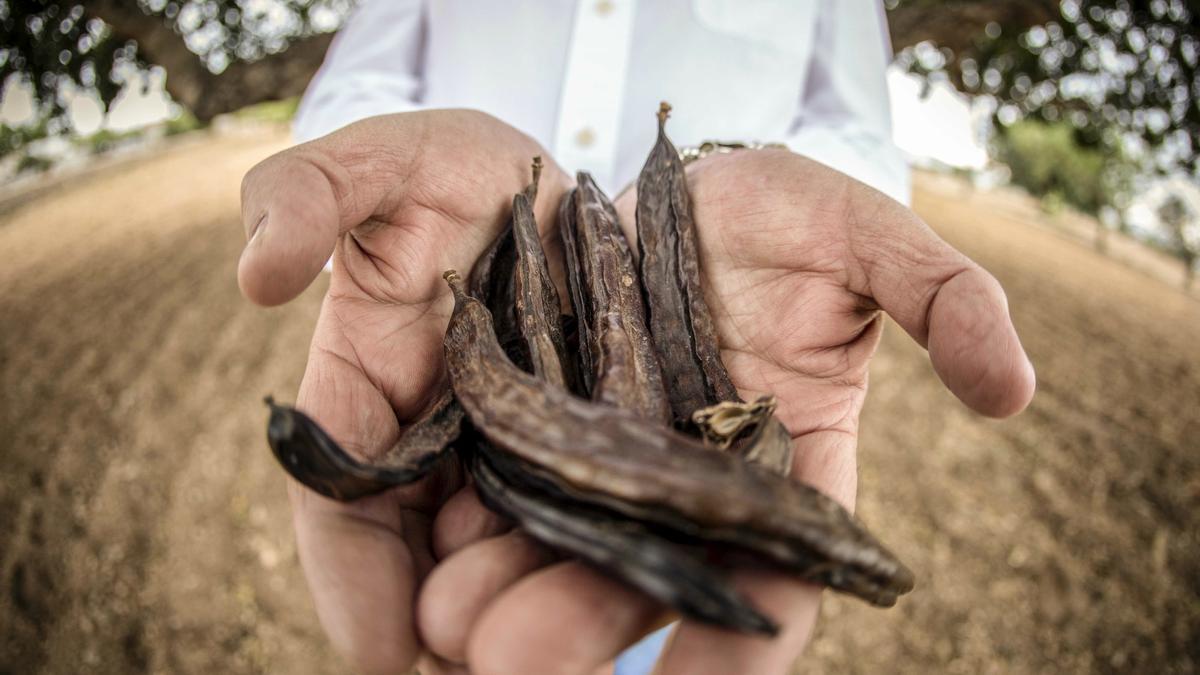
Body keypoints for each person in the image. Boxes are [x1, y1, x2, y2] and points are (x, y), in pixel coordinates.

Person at [237, 2, 1037, 674]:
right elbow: (357, 77)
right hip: (459, 380)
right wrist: (383, 170)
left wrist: (767, 172)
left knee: (613, 621)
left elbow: (856, 127)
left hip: (673, 471)